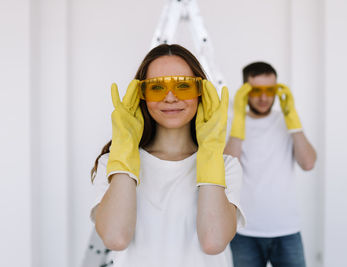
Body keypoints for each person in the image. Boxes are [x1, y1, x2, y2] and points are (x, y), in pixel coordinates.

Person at [90, 44, 245, 267]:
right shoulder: (112, 163)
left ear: (202, 92)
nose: (170, 98)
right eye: (157, 88)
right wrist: (125, 147)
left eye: (183, 86)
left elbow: (213, 241)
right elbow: (116, 237)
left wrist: (210, 151)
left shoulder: (226, 166)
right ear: (140, 95)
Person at [225, 62, 317, 267]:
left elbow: (308, 163)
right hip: (244, 231)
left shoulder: (286, 121)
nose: (264, 97)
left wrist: (292, 120)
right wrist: (239, 121)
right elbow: (228, 167)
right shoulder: (232, 123)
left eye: (270, 90)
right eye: (256, 90)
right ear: (244, 90)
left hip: (286, 229)